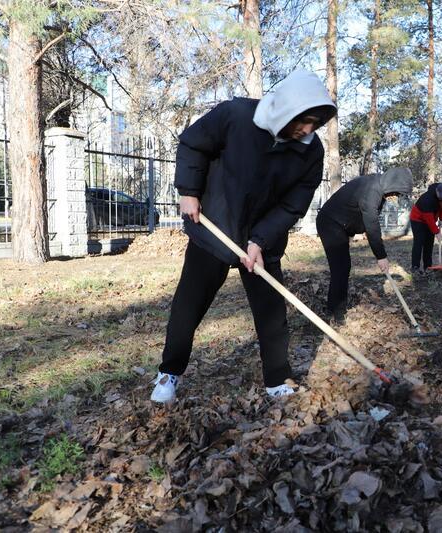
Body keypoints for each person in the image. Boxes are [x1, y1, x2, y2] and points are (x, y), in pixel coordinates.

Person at [150, 70, 337, 403]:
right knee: (189, 306)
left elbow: (294, 203)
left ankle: (277, 379)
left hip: (262, 243)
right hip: (216, 227)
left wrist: (260, 240)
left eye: (315, 123)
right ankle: (169, 374)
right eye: (304, 120)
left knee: (271, 312)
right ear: (287, 108)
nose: (308, 130)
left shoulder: (311, 152)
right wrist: (189, 190)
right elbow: (193, 143)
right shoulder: (235, 116)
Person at [316, 168, 413, 323]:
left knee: (342, 268)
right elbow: (372, 226)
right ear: (392, 185)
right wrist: (381, 256)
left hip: (339, 225)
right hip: (330, 224)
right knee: (340, 268)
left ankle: (334, 308)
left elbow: (365, 219)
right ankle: (336, 313)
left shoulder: (377, 185)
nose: (395, 197)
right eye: (396, 193)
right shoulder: (372, 191)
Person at [409, 182, 442, 272]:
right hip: (418, 219)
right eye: (441, 195)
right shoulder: (427, 199)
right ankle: (415, 267)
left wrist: (441, 219)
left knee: (429, 244)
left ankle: (427, 267)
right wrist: (436, 232)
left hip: (430, 219)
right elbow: (429, 219)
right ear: (437, 191)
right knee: (419, 242)